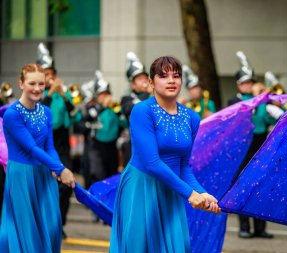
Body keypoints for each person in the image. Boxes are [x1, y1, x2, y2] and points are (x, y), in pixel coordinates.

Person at [109, 56, 221, 252]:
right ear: (151, 83)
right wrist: (190, 193)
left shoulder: (192, 117)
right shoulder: (142, 111)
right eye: (163, 76)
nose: (171, 80)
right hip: (142, 188)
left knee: (176, 247)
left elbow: (184, 166)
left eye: (176, 76)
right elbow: (152, 162)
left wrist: (202, 192)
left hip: (172, 189)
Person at [0, 63, 75, 252]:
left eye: (41, 84)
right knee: (26, 231)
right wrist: (60, 169)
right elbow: (32, 148)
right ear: (21, 84)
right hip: (22, 176)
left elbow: (49, 147)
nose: (37, 88)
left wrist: (56, 166)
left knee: (51, 226)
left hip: (43, 174)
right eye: (32, 83)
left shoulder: (46, 112)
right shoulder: (12, 114)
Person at [228, 51, 276, 239]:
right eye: (245, 83)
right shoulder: (234, 101)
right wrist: (257, 100)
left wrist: (264, 100)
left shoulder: (261, 101)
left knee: (260, 187)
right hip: (242, 149)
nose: (248, 86)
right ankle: (244, 227)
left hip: (259, 145)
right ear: (239, 84)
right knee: (242, 187)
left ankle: (260, 227)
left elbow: (264, 119)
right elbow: (245, 119)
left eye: (251, 82)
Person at [37, 42, 75, 239]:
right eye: (46, 73)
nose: (50, 77)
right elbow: (39, 112)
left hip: (61, 142)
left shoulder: (62, 92)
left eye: (51, 73)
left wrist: (64, 96)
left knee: (66, 186)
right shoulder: (38, 92)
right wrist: (50, 94)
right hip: (43, 143)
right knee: (44, 185)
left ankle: (59, 223)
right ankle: (44, 223)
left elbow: (74, 114)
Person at [120, 52, 151, 167]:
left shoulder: (155, 97)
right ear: (132, 85)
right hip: (134, 147)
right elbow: (131, 109)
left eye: (145, 78)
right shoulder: (126, 99)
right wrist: (147, 94)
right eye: (139, 79)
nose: (144, 81)